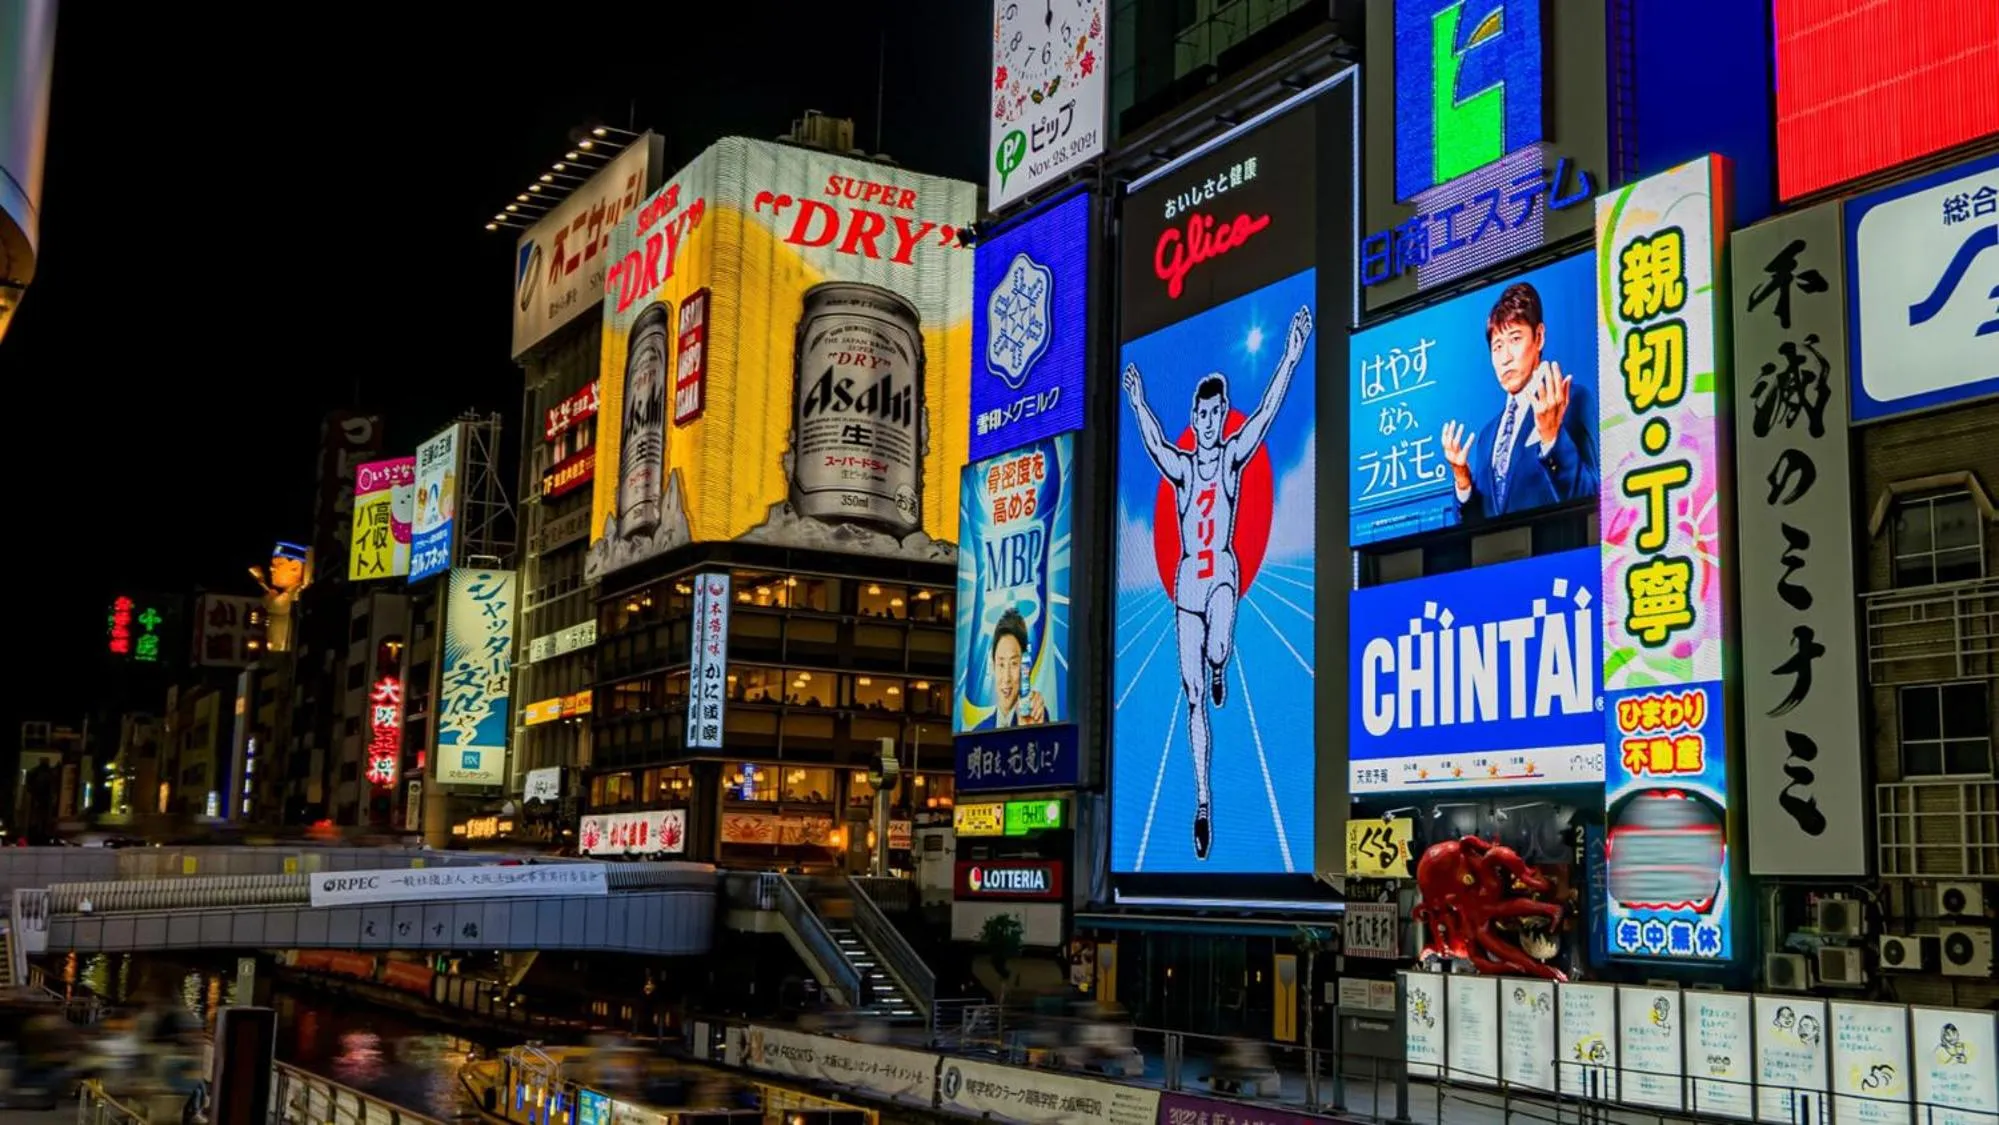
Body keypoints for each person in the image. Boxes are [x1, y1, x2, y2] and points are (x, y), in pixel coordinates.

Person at [1122, 304, 1311, 860]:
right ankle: (1203, 801)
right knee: (1193, 696)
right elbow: (1156, 445)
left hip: (1222, 574)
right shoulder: (1184, 469)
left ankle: (1221, 662)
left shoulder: (1230, 460)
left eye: (1216, 413)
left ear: (1223, 414)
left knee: (1218, 647)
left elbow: (1268, 413)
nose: (1208, 421)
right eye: (1202, 414)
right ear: (1195, 415)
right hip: (1188, 586)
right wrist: (1137, 402)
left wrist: (1291, 355)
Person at [1439, 281, 1597, 521]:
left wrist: (1552, 440)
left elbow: (1593, 499)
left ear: (1539, 337)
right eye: (1497, 346)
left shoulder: (1571, 400)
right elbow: (1475, 528)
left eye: (1515, 339)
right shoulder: (1487, 437)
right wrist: (1462, 481)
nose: (1505, 358)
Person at [972, 608, 1047, 730]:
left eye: (1013, 664)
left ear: (1024, 666)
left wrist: (1028, 731)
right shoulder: (979, 731)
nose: (1006, 678)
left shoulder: (1037, 715)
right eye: (1001, 664)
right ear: (993, 666)